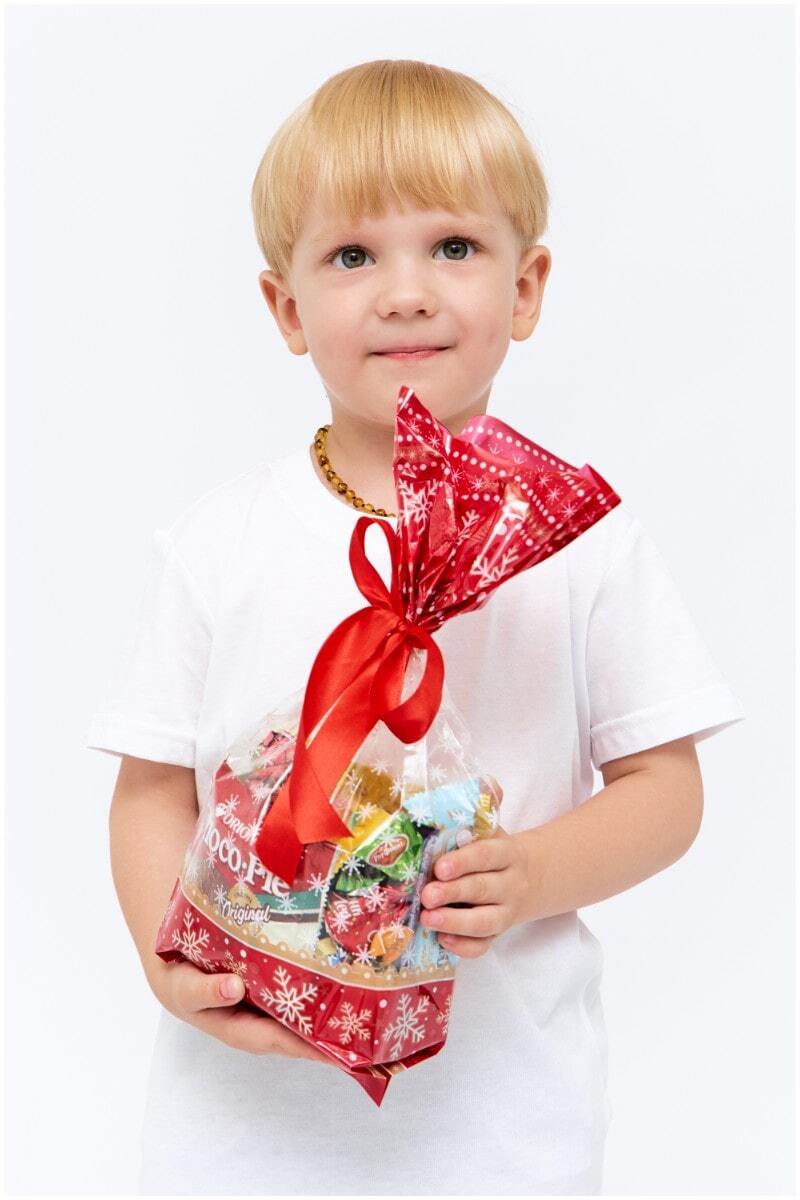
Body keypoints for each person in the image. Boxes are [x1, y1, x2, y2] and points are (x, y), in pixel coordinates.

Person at [86, 59, 745, 1196]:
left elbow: (665, 791)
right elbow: (151, 790)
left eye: (452, 246)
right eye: (352, 256)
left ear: (526, 289)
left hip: (502, 1133)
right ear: (286, 310)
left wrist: (533, 872)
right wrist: (168, 960)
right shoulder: (221, 542)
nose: (404, 293)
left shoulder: (580, 546)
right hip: (237, 1133)